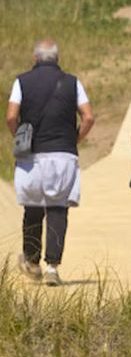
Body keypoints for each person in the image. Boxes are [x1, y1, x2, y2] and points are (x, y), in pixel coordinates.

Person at [5, 40, 95, 287]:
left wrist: (20, 138)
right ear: (57, 59)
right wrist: (74, 139)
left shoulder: (22, 81)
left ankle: (32, 262)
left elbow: (12, 116)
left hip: (33, 156)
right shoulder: (72, 82)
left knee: (33, 209)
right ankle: (53, 268)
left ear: (35, 58)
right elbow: (88, 116)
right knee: (57, 210)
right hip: (64, 155)